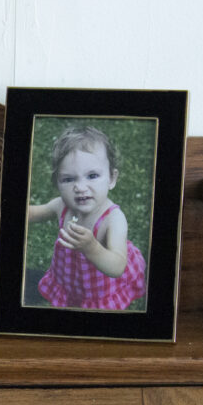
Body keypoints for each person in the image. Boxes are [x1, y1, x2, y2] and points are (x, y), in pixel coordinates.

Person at [28, 126, 146, 310]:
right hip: (71, 278)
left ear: (111, 179)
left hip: (101, 286)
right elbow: (32, 213)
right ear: (56, 183)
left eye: (92, 176)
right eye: (68, 179)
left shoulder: (113, 219)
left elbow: (117, 266)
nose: (80, 187)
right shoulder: (62, 206)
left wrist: (91, 247)